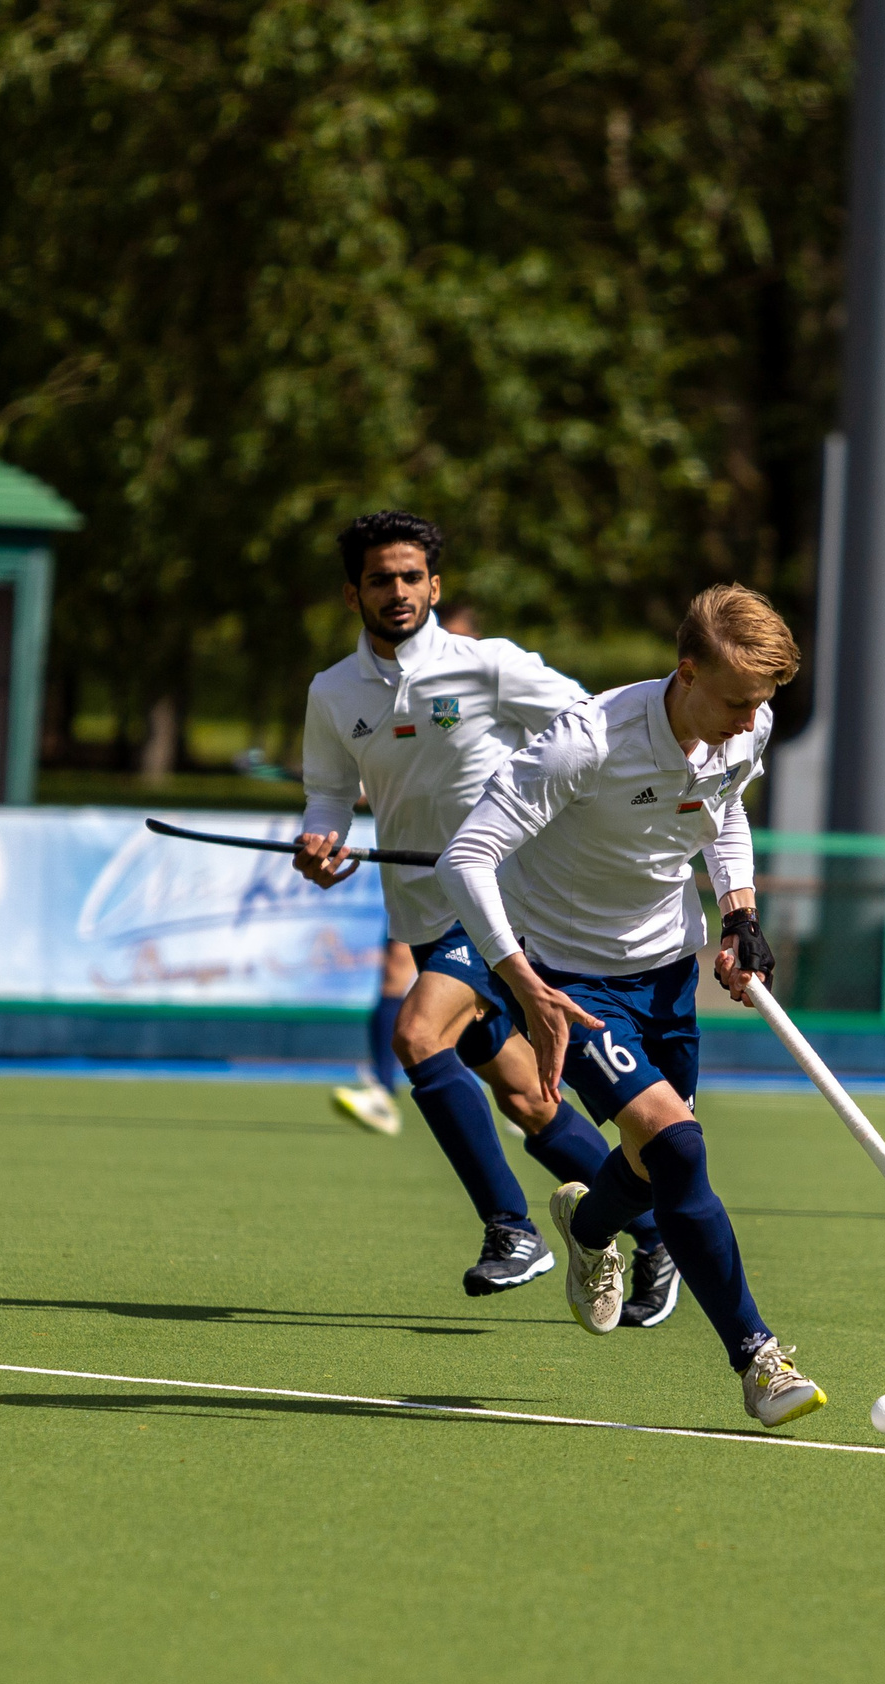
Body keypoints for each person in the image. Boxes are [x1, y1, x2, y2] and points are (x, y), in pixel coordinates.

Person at [441, 583, 825, 1428]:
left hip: (666, 971)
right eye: (732, 699)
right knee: (679, 1146)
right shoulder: (584, 743)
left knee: (652, 1159)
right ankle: (759, 1358)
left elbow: (722, 813)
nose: (747, 719)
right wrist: (523, 984)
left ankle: (587, 1226)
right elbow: (466, 858)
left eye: (760, 703)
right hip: (570, 980)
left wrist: (742, 913)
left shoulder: (745, 723)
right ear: (684, 671)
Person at [297, 511, 678, 1322]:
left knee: (416, 1035)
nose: (397, 592)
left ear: (435, 585)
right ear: (352, 591)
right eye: (379, 579)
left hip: (505, 898)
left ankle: (514, 1228)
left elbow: (591, 726)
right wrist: (322, 838)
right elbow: (329, 791)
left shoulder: (489, 667)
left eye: (410, 577)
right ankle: (656, 1231)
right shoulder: (333, 692)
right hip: (424, 913)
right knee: (529, 1098)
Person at [331, 603, 489, 1137]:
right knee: (396, 974)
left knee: (513, 994)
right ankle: (381, 1088)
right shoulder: (403, 700)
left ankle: (539, 1087)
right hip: (416, 877)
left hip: (486, 879)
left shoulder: (484, 698)